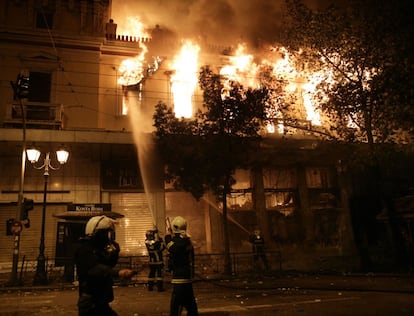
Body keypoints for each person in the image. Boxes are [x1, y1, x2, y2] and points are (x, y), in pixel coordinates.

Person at [74, 215, 133, 316]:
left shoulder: (98, 248)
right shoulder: (85, 249)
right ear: (98, 233)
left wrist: (114, 253)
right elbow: (95, 269)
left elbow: (108, 264)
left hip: (100, 301)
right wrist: (118, 272)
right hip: (90, 303)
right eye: (106, 233)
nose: (108, 237)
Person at [165, 216, 198, 316]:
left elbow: (171, 247)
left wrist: (167, 235)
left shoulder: (180, 242)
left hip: (180, 278)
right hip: (186, 276)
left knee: (176, 305)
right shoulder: (186, 240)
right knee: (190, 303)